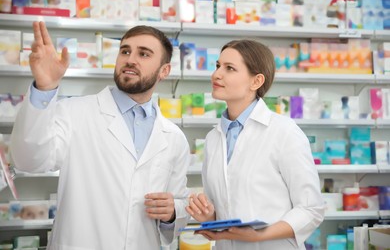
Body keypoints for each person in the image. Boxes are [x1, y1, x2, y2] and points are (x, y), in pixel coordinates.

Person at [10, 21, 191, 249]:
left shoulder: (174, 137)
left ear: (164, 71)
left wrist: (173, 212)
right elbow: (27, 160)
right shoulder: (75, 112)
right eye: (125, 51)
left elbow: (179, 205)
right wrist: (44, 88)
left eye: (144, 54)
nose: (130, 59)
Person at [185, 39, 325, 250]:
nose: (216, 74)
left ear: (256, 81)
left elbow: (311, 209)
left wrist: (258, 236)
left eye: (229, 68)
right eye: (217, 66)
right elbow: (224, 210)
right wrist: (209, 215)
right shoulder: (214, 138)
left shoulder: (283, 132)